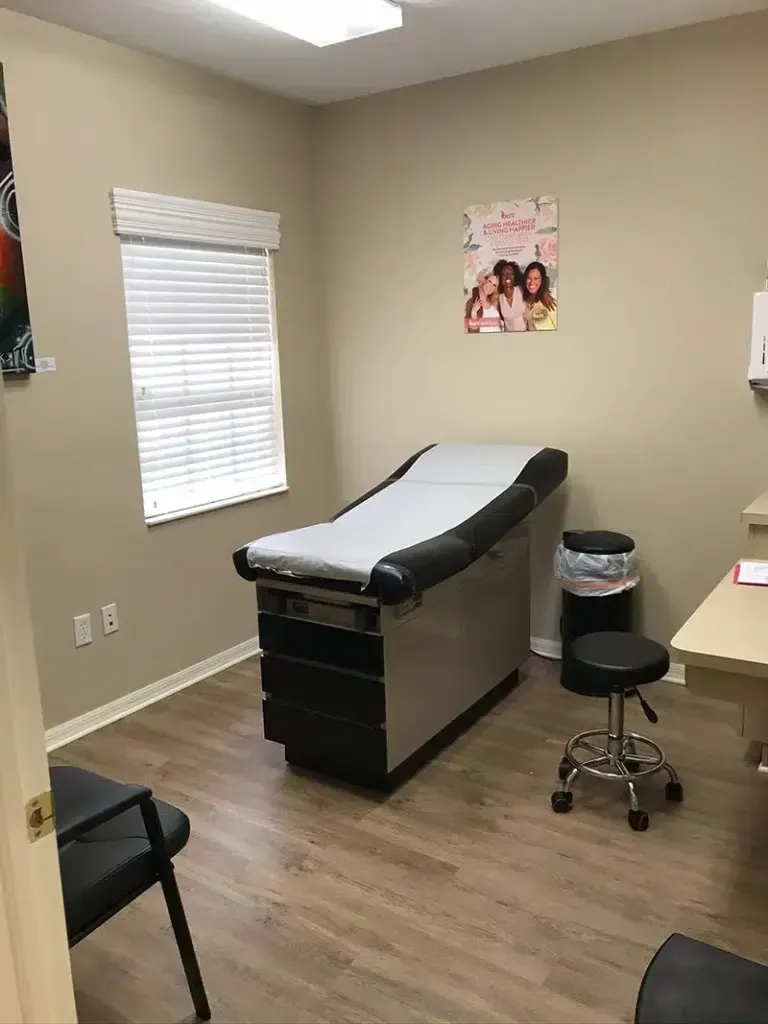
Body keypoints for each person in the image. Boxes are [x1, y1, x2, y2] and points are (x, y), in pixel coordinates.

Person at [522, 261, 557, 330]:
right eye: (529, 278)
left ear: (542, 280)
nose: (532, 282)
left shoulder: (549, 303)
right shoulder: (523, 301)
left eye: (536, 278)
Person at [496, 261, 527, 332]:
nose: (508, 277)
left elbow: (536, 291)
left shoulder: (522, 289)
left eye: (511, 274)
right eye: (504, 274)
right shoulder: (498, 297)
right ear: (500, 278)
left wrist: (545, 294)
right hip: (508, 338)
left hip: (525, 334)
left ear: (515, 276)